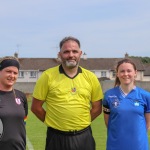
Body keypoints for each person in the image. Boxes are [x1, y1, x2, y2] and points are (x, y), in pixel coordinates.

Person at [31, 36, 103, 150]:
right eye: (66, 52)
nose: (71, 55)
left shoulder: (91, 77)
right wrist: (55, 122)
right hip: (56, 137)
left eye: (74, 51)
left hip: (84, 137)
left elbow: (97, 108)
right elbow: (35, 107)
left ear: (80, 53)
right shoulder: (47, 76)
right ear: (60, 54)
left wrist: (81, 123)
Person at [102, 58, 150, 150]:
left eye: (129, 71)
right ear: (117, 73)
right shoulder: (109, 95)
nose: (126, 74)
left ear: (135, 72)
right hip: (115, 145)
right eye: (122, 71)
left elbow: (147, 125)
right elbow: (108, 123)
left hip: (139, 146)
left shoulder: (146, 96)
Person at [0, 56, 28, 150]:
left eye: (15, 73)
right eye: (8, 71)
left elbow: (23, 122)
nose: (12, 75)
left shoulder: (21, 96)